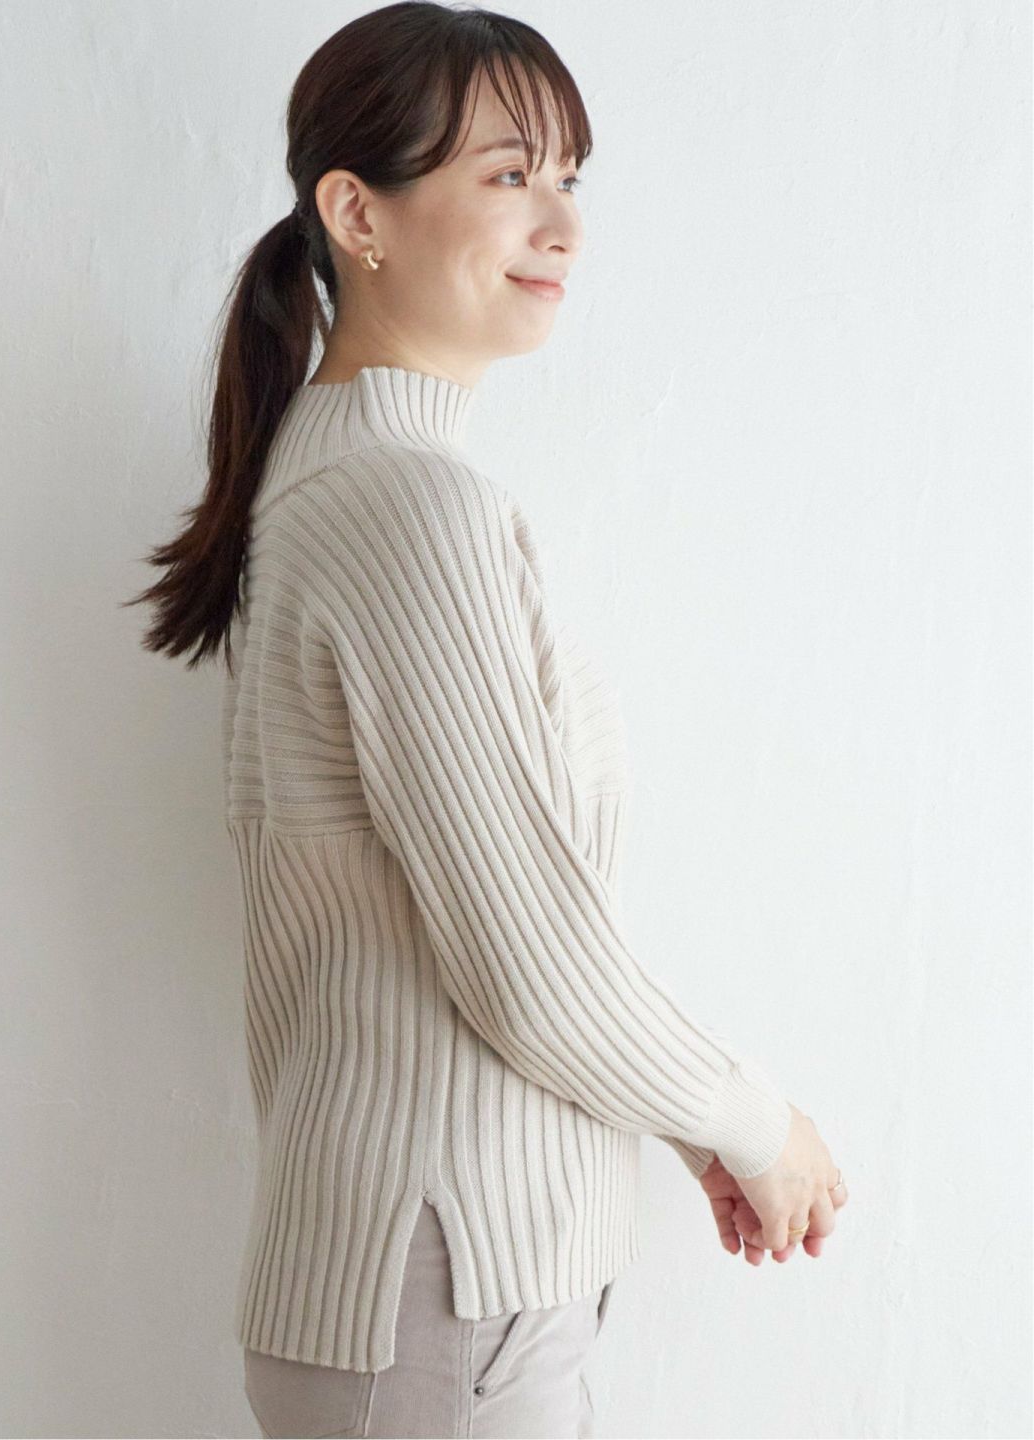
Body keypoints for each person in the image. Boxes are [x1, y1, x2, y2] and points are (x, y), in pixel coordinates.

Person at [127, 3, 849, 1435]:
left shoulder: (334, 481)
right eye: (510, 175)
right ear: (358, 214)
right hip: (449, 1292)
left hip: (430, 1287)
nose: (563, 225)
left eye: (569, 178)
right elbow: (532, 963)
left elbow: (476, 932)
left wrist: (678, 1122)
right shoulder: (411, 507)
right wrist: (754, 1122)